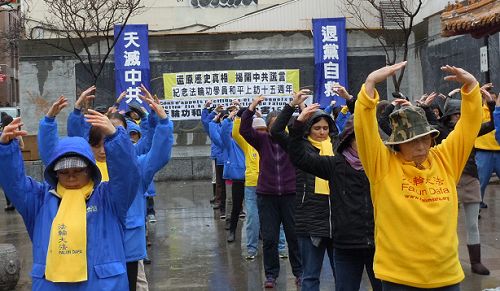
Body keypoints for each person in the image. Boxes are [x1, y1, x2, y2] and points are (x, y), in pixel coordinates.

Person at [354, 62, 482, 289]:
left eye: (425, 138)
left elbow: (468, 127)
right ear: (398, 144)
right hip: (400, 279)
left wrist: (471, 87)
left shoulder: (445, 159)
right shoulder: (383, 165)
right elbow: (365, 130)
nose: (421, 147)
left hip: (447, 276)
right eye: (412, 141)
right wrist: (370, 85)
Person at [0, 111, 139, 290]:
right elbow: (14, 183)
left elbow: (126, 175)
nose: (71, 177)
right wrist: (5, 148)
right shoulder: (39, 200)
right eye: (64, 172)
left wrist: (115, 138)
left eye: (78, 170)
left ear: (89, 170)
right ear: (55, 172)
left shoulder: (109, 198)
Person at [288, 109, 382, 291]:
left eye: (368, 138)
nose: (364, 144)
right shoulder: (334, 164)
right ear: (348, 140)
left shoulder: (381, 165)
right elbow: (299, 157)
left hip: (378, 244)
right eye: (358, 139)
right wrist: (299, 123)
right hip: (346, 246)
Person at [270, 90, 337, 291]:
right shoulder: (300, 148)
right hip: (310, 219)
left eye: (326, 128)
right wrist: (292, 107)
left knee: (343, 275)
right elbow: (276, 132)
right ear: (308, 129)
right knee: (310, 276)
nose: (322, 132)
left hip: (337, 219)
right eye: (317, 128)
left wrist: (351, 101)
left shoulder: (338, 146)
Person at [240, 95, 302, 289]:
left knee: (293, 236)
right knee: (269, 238)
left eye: (281, 125)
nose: (278, 129)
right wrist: (251, 108)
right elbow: (243, 129)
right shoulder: (261, 140)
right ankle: (271, 275)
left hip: (290, 195)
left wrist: (299, 106)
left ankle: (299, 273)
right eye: (274, 125)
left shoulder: (292, 141)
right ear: (267, 127)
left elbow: (305, 125)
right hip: (267, 196)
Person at [220, 107, 246, 242]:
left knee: (258, 208)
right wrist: (230, 118)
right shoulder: (231, 142)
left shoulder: (253, 139)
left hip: (255, 177)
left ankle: (260, 232)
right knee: (236, 206)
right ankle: (232, 231)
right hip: (238, 178)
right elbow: (224, 133)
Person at [473, 83, 500, 209]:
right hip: (483, 152)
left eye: (494, 98)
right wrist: (479, 91)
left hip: (498, 151)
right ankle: (477, 205)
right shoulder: (479, 111)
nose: (492, 100)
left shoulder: (498, 113)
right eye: (489, 97)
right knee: (481, 182)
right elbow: (471, 104)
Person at [1, 113, 24, 211]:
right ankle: (12, 202)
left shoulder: (12, 135)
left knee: (7, 183)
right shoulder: (15, 135)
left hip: (11, 163)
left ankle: (10, 203)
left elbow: (22, 146)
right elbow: (23, 147)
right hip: (15, 162)